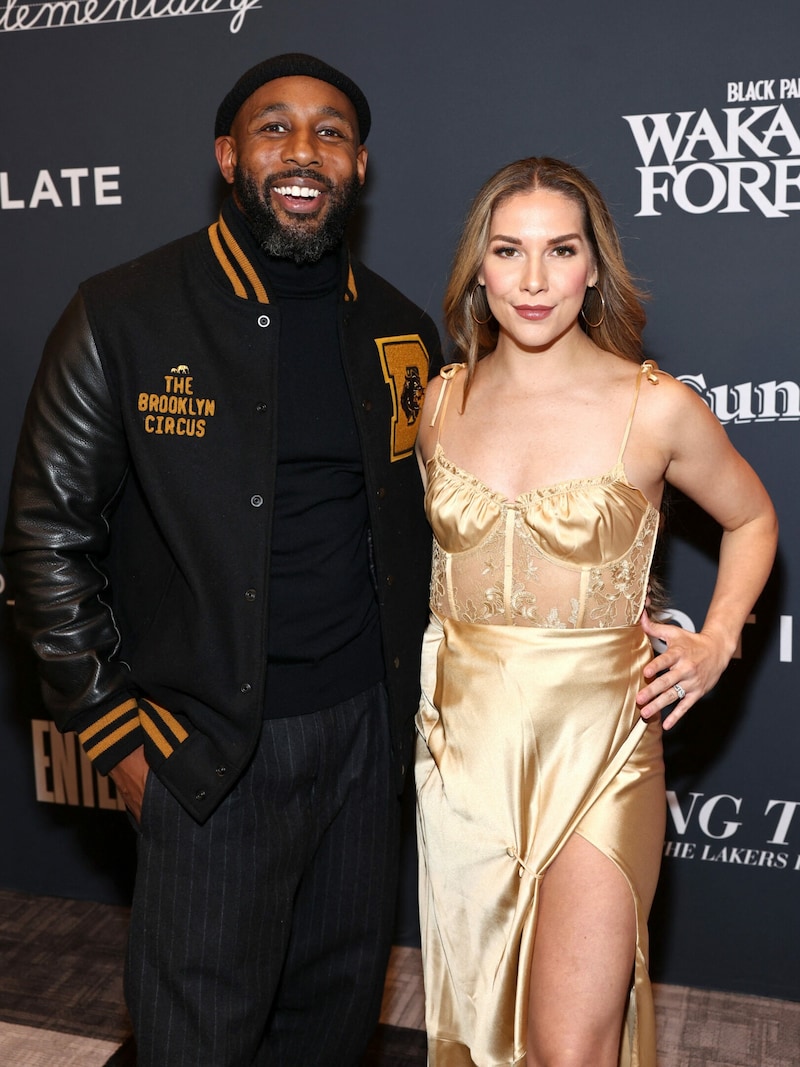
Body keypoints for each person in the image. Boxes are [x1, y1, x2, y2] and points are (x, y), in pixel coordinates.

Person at [3, 53, 441, 1067]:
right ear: (226, 155)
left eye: (329, 132)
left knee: (330, 1023)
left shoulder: (398, 327)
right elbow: (44, 538)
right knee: (196, 1037)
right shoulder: (124, 312)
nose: (302, 150)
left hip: (363, 743)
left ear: (359, 165)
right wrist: (119, 737)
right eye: (273, 127)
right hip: (205, 751)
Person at [413, 157, 777, 1067]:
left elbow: (753, 516)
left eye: (559, 250)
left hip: (601, 747)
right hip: (463, 757)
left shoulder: (654, 407)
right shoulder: (440, 402)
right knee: (479, 1037)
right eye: (509, 251)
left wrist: (721, 638)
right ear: (479, 268)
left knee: (570, 1048)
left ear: (592, 267)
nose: (533, 280)